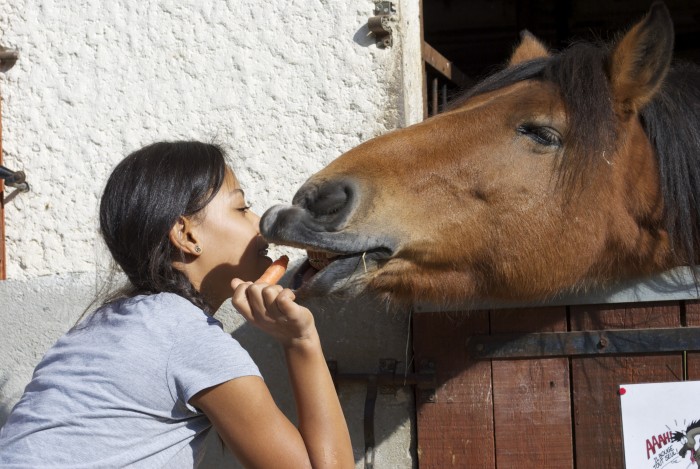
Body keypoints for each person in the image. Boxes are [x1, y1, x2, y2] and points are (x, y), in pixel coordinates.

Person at [0, 141, 354, 468]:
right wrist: (301, 341)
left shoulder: (102, 326)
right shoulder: (188, 335)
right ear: (187, 235)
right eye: (242, 207)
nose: (260, 223)